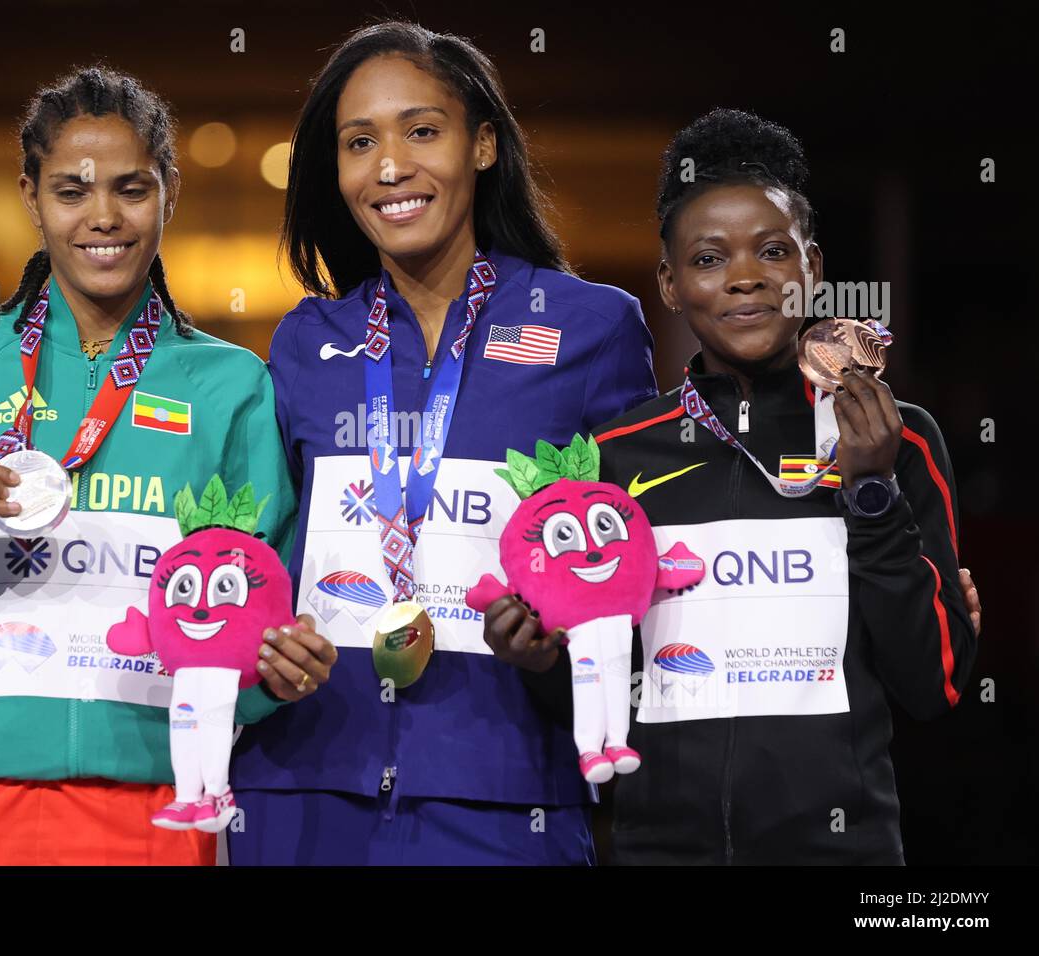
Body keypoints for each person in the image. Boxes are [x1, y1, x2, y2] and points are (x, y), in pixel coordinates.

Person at [0, 65, 336, 866]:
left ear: (171, 190)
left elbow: (251, 634)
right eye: (72, 192)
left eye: (132, 189)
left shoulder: (233, 386)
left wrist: (275, 678)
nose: (104, 217)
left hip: (152, 813)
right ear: (31, 197)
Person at [227, 21, 657, 865]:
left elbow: (638, 568)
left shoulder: (591, 327)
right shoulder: (303, 342)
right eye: (359, 143)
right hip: (301, 793)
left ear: (485, 144)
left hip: (501, 796)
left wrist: (552, 655)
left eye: (422, 130)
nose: (390, 166)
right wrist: (262, 649)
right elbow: (260, 558)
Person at [589, 108, 978, 863]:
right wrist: (540, 654)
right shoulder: (615, 456)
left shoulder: (898, 436)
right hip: (661, 850)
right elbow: (597, 685)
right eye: (708, 258)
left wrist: (871, 496)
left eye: (773, 251)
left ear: (814, 270)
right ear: (670, 283)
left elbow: (934, 685)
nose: (744, 277)